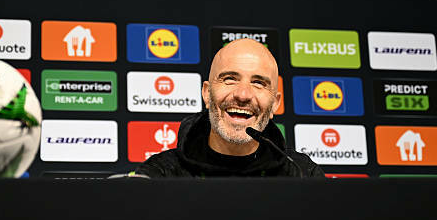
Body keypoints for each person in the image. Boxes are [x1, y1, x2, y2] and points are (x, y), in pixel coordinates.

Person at [134, 38, 324, 178]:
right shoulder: (161, 174)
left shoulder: (302, 174)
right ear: (207, 93)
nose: (243, 95)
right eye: (230, 79)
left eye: (258, 83)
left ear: (275, 103)